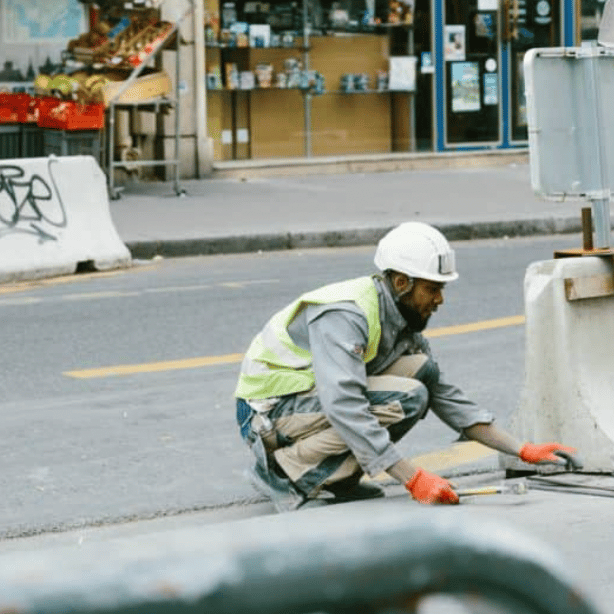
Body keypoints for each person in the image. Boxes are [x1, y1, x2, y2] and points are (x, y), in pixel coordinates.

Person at [234, 222, 576, 512]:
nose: (440, 299)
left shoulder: (400, 318)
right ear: (401, 283)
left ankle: (336, 479)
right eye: (433, 288)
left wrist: (521, 449)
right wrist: (412, 477)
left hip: (304, 406)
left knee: (421, 372)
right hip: (268, 415)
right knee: (407, 397)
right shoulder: (347, 314)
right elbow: (344, 405)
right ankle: (285, 474)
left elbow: (444, 394)